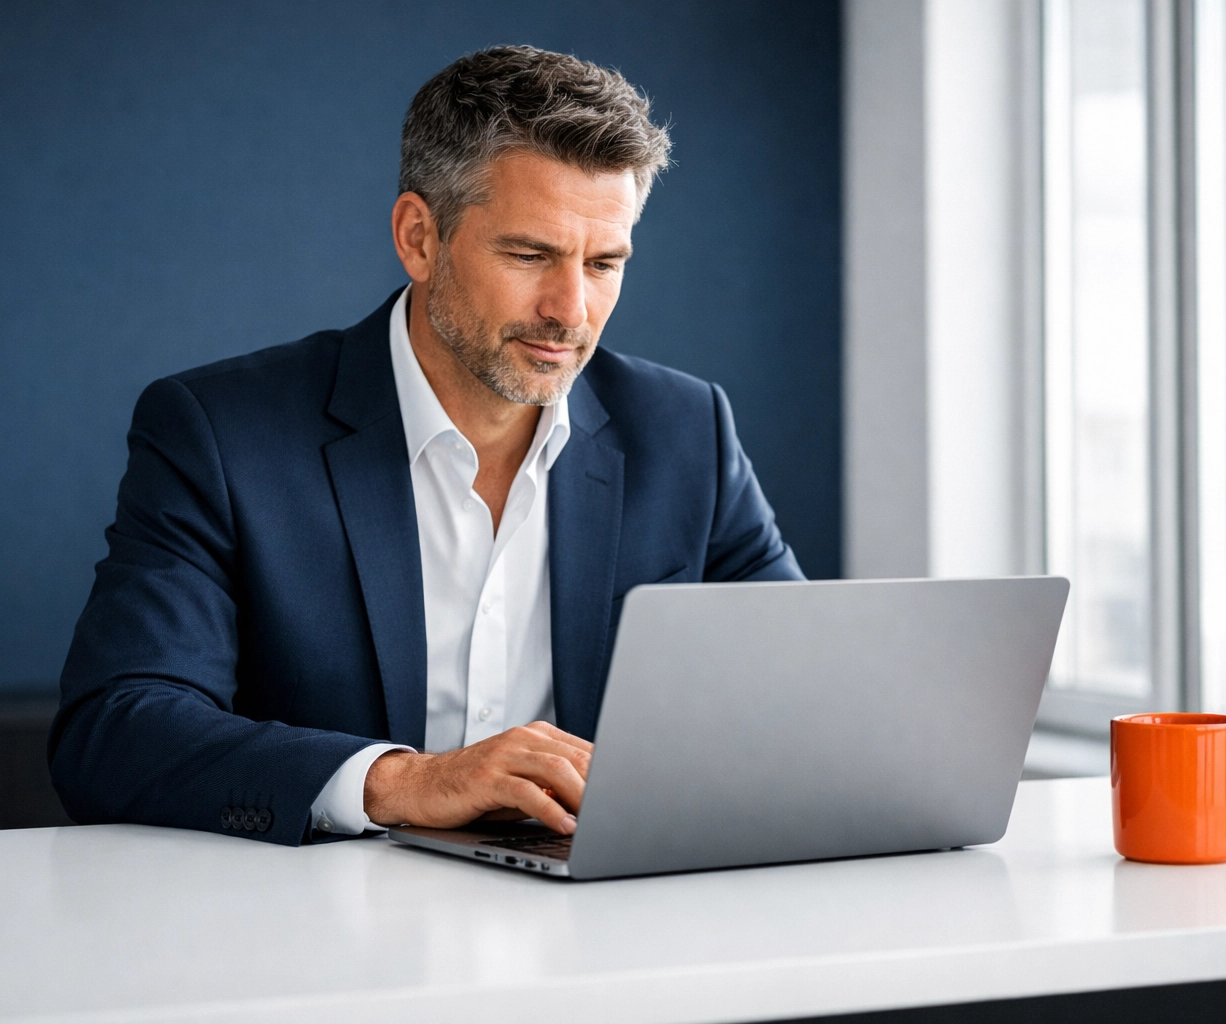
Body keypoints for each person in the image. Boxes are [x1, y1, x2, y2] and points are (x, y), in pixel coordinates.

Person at [48, 46, 803, 846]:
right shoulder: (219, 432)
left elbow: (811, 691)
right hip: (316, 935)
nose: (570, 309)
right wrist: (403, 781)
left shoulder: (685, 430)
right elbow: (116, 731)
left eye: (604, 263)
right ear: (418, 237)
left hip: (603, 928)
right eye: (529, 255)